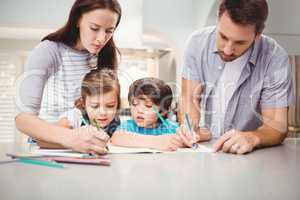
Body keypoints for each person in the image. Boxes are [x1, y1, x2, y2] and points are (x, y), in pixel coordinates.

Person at [178, 0, 294, 154]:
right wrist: (189, 127)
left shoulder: (274, 59)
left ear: (258, 34)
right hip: (208, 152)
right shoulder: (197, 44)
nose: (227, 50)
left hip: (252, 157)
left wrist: (253, 138)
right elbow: (189, 98)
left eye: (240, 42)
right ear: (218, 20)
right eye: (223, 37)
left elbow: (277, 126)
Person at [15, 0, 122, 154]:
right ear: (78, 19)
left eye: (109, 31)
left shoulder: (105, 55)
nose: (101, 38)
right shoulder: (49, 51)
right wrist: (72, 138)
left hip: (86, 147)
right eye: (94, 28)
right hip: (47, 146)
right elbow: (22, 119)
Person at [37, 69, 121, 149]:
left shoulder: (115, 121)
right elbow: (42, 141)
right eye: (94, 106)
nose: (103, 112)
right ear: (83, 103)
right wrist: (75, 139)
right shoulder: (74, 117)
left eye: (110, 106)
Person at [111, 78, 185, 151]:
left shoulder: (172, 128)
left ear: (163, 111)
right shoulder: (129, 126)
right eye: (134, 104)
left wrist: (185, 141)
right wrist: (157, 142)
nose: (139, 110)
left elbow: (185, 140)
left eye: (148, 106)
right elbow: (116, 138)